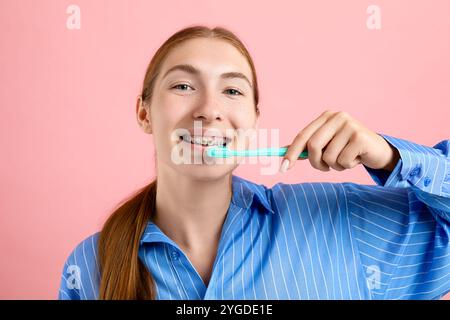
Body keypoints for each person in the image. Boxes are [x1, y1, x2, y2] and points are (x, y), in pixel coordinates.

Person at [58, 25, 449, 300]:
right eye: (183, 86)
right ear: (144, 113)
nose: (209, 110)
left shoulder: (343, 225)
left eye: (232, 90)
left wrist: (389, 155)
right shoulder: (88, 267)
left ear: (254, 118)